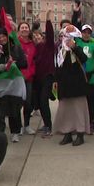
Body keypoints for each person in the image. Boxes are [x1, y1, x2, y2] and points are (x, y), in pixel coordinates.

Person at [0, 27, 28, 142]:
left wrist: (15, 64)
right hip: (1, 84)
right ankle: (0, 131)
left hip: (14, 83)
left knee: (14, 108)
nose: (2, 39)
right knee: (1, 109)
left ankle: (15, 131)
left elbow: (24, 64)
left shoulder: (15, 48)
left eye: (3, 36)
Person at [53, 25, 90, 146]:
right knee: (65, 110)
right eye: (64, 36)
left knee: (79, 110)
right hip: (64, 85)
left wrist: (74, 47)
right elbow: (57, 67)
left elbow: (84, 59)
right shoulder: (60, 50)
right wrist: (56, 81)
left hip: (77, 85)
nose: (66, 38)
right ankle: (67, 133)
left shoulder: (77, 47)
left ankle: (80, 134)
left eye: (68, 36)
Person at [33, 10, 56, 138]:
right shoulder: (34, 49)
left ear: (42, 36)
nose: (37, 38)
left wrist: (47, 20)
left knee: (43, 101)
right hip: (38, 79)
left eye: (38, 36)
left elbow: (51, 35)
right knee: (39, 103)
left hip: (48, 76)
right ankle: (46, 124)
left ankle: (49, 126)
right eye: (34, 37)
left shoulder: (48, 46)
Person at [77, 24, 94, 133]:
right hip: (80, 76)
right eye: (84, 32)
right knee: (82, 101)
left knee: (93, 100)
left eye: (88, 32)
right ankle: (82, 122)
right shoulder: (77, 42)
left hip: (92, 76)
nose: (86, 34)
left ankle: (92, 121)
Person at [17, 21, 37, 136]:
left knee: (28, 103)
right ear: (19, 30)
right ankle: (18, 126)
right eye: (22, 27)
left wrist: (32, 72)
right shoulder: (15, 43)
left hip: (29, 77)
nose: (24, 29)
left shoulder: (32, 44)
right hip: (17, 77)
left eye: (26, 27)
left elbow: (34, 60)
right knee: (18, 103)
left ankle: (27, 125)